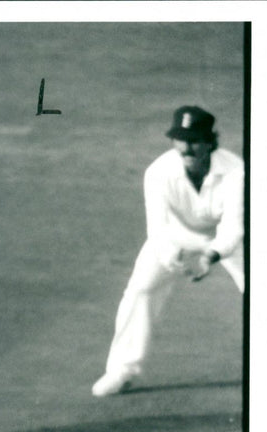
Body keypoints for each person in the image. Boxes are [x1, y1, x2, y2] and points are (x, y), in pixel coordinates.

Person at [92, 106, 244, 397]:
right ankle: (122, 371)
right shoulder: (158, 172)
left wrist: (209, 256)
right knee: (141, 289)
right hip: (176, 235)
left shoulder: (236, 171)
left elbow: (234, 229)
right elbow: (158, 229)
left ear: (210, 141)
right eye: (181, 139)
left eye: (196, 139)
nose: (187, 147)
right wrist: (169, 256)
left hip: (226, 240)